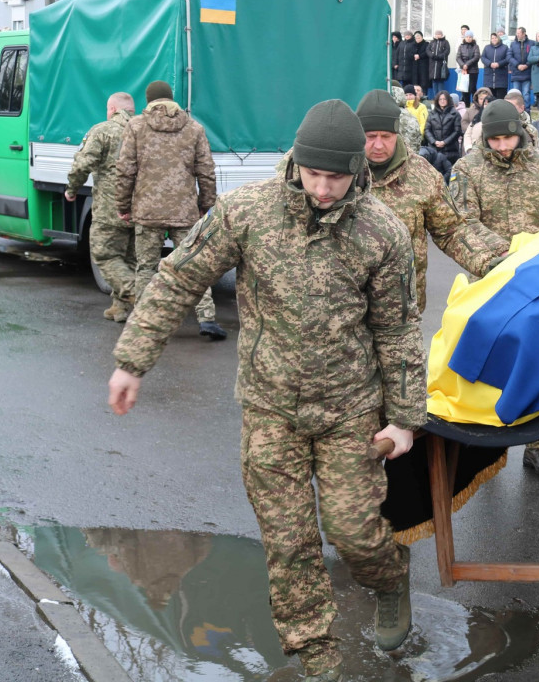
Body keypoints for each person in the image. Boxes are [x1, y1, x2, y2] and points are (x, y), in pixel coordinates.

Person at [109, 100, 426, 677]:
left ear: (358, 170)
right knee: (288, 542)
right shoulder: (248, 211)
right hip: (269, 407)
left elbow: (398, 327)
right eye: (314, 174)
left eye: (336, 177)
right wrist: (133, 361)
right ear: (297, 163)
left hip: (349, 409)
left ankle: (389, 577)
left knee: (355, 534)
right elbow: (178, 278)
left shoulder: (382, 231)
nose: (324, 188)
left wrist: (403, 417)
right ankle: (317, 654)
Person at [450, 99, 539, 479]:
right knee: (485, 359)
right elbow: (460, 222)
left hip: (536, 285)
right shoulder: (466, 169)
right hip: (490, 279)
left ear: (521, 132)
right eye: (495, 140)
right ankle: (485, 446)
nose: (503, 146)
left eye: (509, 138)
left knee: (537, 362)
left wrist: (537, 262)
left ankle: (536, 447)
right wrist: (499, 258)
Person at [357, 89, 509, 310]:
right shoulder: (338, 171)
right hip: (348, 308)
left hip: (403, 308)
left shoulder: (421, 173)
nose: (378, 145)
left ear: (397, 134)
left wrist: (487, 262)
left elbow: (451, 231)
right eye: (370, 137)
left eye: (386, 136)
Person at [115, 81, 224, 341]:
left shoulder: (136, 126)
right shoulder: (194, 128)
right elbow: (206, 171)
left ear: (149, 100)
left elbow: (125, 169)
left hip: (147, 209)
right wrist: (206, 206)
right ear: (171, 100)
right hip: (185, 210)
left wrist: (123, 205)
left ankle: (142, 321)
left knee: (146, 267)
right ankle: (207, 318)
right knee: (194, 265)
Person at [65, 92, 137, 322]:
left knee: (104, 254)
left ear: (113, 109)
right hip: (141, 207)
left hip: (110, 207)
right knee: (129, 259)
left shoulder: (103, 130)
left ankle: (138, 294)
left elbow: (83, 164)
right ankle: (119, 308)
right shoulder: (144, 131)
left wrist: (71, 188)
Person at [425, 89, 463, 165]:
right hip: (434, 149)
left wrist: (445, 142)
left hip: (450, 150)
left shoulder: (455, 114)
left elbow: (457, 131)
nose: (442, 101)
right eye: (440, 99)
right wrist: (434, 141)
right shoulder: (432, 113)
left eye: (444, 99)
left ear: (448, 100)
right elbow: (427, 130)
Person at [390, 83, 423, 151]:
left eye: (410, 94)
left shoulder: (386, 115)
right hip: (411, 155)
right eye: (406, 95)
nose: (408, 97)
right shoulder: (411, 117)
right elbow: (418, 139)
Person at [509, 27, 534, 106]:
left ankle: (526, 110)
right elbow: (509, 56)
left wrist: (527, 65)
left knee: (526, 93)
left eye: (519, 33)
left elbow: (533, 55)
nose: (517, 35)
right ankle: (516, 110)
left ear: (524, 33)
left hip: (527, 72)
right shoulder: (513, 44)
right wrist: (517, 65)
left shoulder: (531, 43)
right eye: (517, 33)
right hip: (516, 72)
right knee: (516, 94)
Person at [455, 30, 481, 105]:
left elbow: (476, 57)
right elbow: (458, 57)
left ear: (472, 38)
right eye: (467, 37)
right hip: (463, 71)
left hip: (473, 71)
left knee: (472, 88)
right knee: (464, 89)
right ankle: (466, 105)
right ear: (465, 37)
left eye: (470, 37)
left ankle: (475, 104)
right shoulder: (461, 46)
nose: (468, 38)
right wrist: (463, 65)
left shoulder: (476, 46)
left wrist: (467, 64)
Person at [481, 32, 510, 99]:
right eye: (492, 38)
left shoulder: (505, 48)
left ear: (498, 38)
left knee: (500, 100)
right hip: (489, 78)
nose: (494, 39)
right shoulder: (486, 48)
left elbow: (508, 58)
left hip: (501, 79)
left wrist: (499, 64)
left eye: (495, 38)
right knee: (490, 100)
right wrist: (490, 63)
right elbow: (483, 57)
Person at [427, 29, 451, 100]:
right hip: (433, 66)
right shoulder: (432, 42)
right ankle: (436, 97)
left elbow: (447, 51)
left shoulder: (445, 42)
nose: (437, 36)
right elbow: (428, 50)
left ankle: (441, 97)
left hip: (441, 65)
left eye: (439, 34)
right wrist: (432, 55)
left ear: (441, 35)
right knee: (434, 81)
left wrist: (440, 56)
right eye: (436, 34)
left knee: (440, 82)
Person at [409, 31, 430, 95]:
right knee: (415, 82)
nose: (417, 39)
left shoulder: (426, 44)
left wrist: (419, 56)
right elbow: (409, 53)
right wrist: (413, 56)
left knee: (423, 82)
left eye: (419, 38)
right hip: (415, 66)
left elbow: (427, 53)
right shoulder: (412, 45)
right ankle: (416, 95)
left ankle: (424, 95)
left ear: (422, 37)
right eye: (416, 38)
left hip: (423, 66)